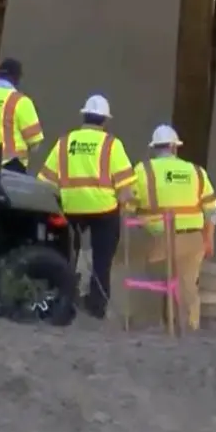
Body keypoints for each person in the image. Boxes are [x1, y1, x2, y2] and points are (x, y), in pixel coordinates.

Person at [38, 94, 134, 319]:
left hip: (70, 208)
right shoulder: (112, 144)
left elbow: (45, 182)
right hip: (104, 210)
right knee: (103, 259)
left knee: (67, 255)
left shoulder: (64, 143)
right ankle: (96, 305)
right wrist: (125, 203)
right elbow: (126, 186)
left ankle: (65, 297)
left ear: (84, 116)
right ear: (104, 120)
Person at [125, 124, 216, 331]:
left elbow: (129, 206)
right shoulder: (196, 171)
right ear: (175, 148)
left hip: (160, 237)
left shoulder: (143, 170)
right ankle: (188, 328)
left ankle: (157, 327)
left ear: (154, 148)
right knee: (187, 287)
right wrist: (208, 238)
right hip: (194, 239)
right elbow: (211, 210)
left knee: (157, 284)